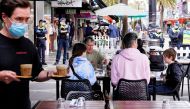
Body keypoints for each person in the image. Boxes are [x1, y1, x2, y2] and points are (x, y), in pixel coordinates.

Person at [0, 0, 55, 109]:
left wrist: (51, 73)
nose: (24, 24)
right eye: (19, 19)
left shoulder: (28, 44)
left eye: (27, 19)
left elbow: (36, 73)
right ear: (4, 17)